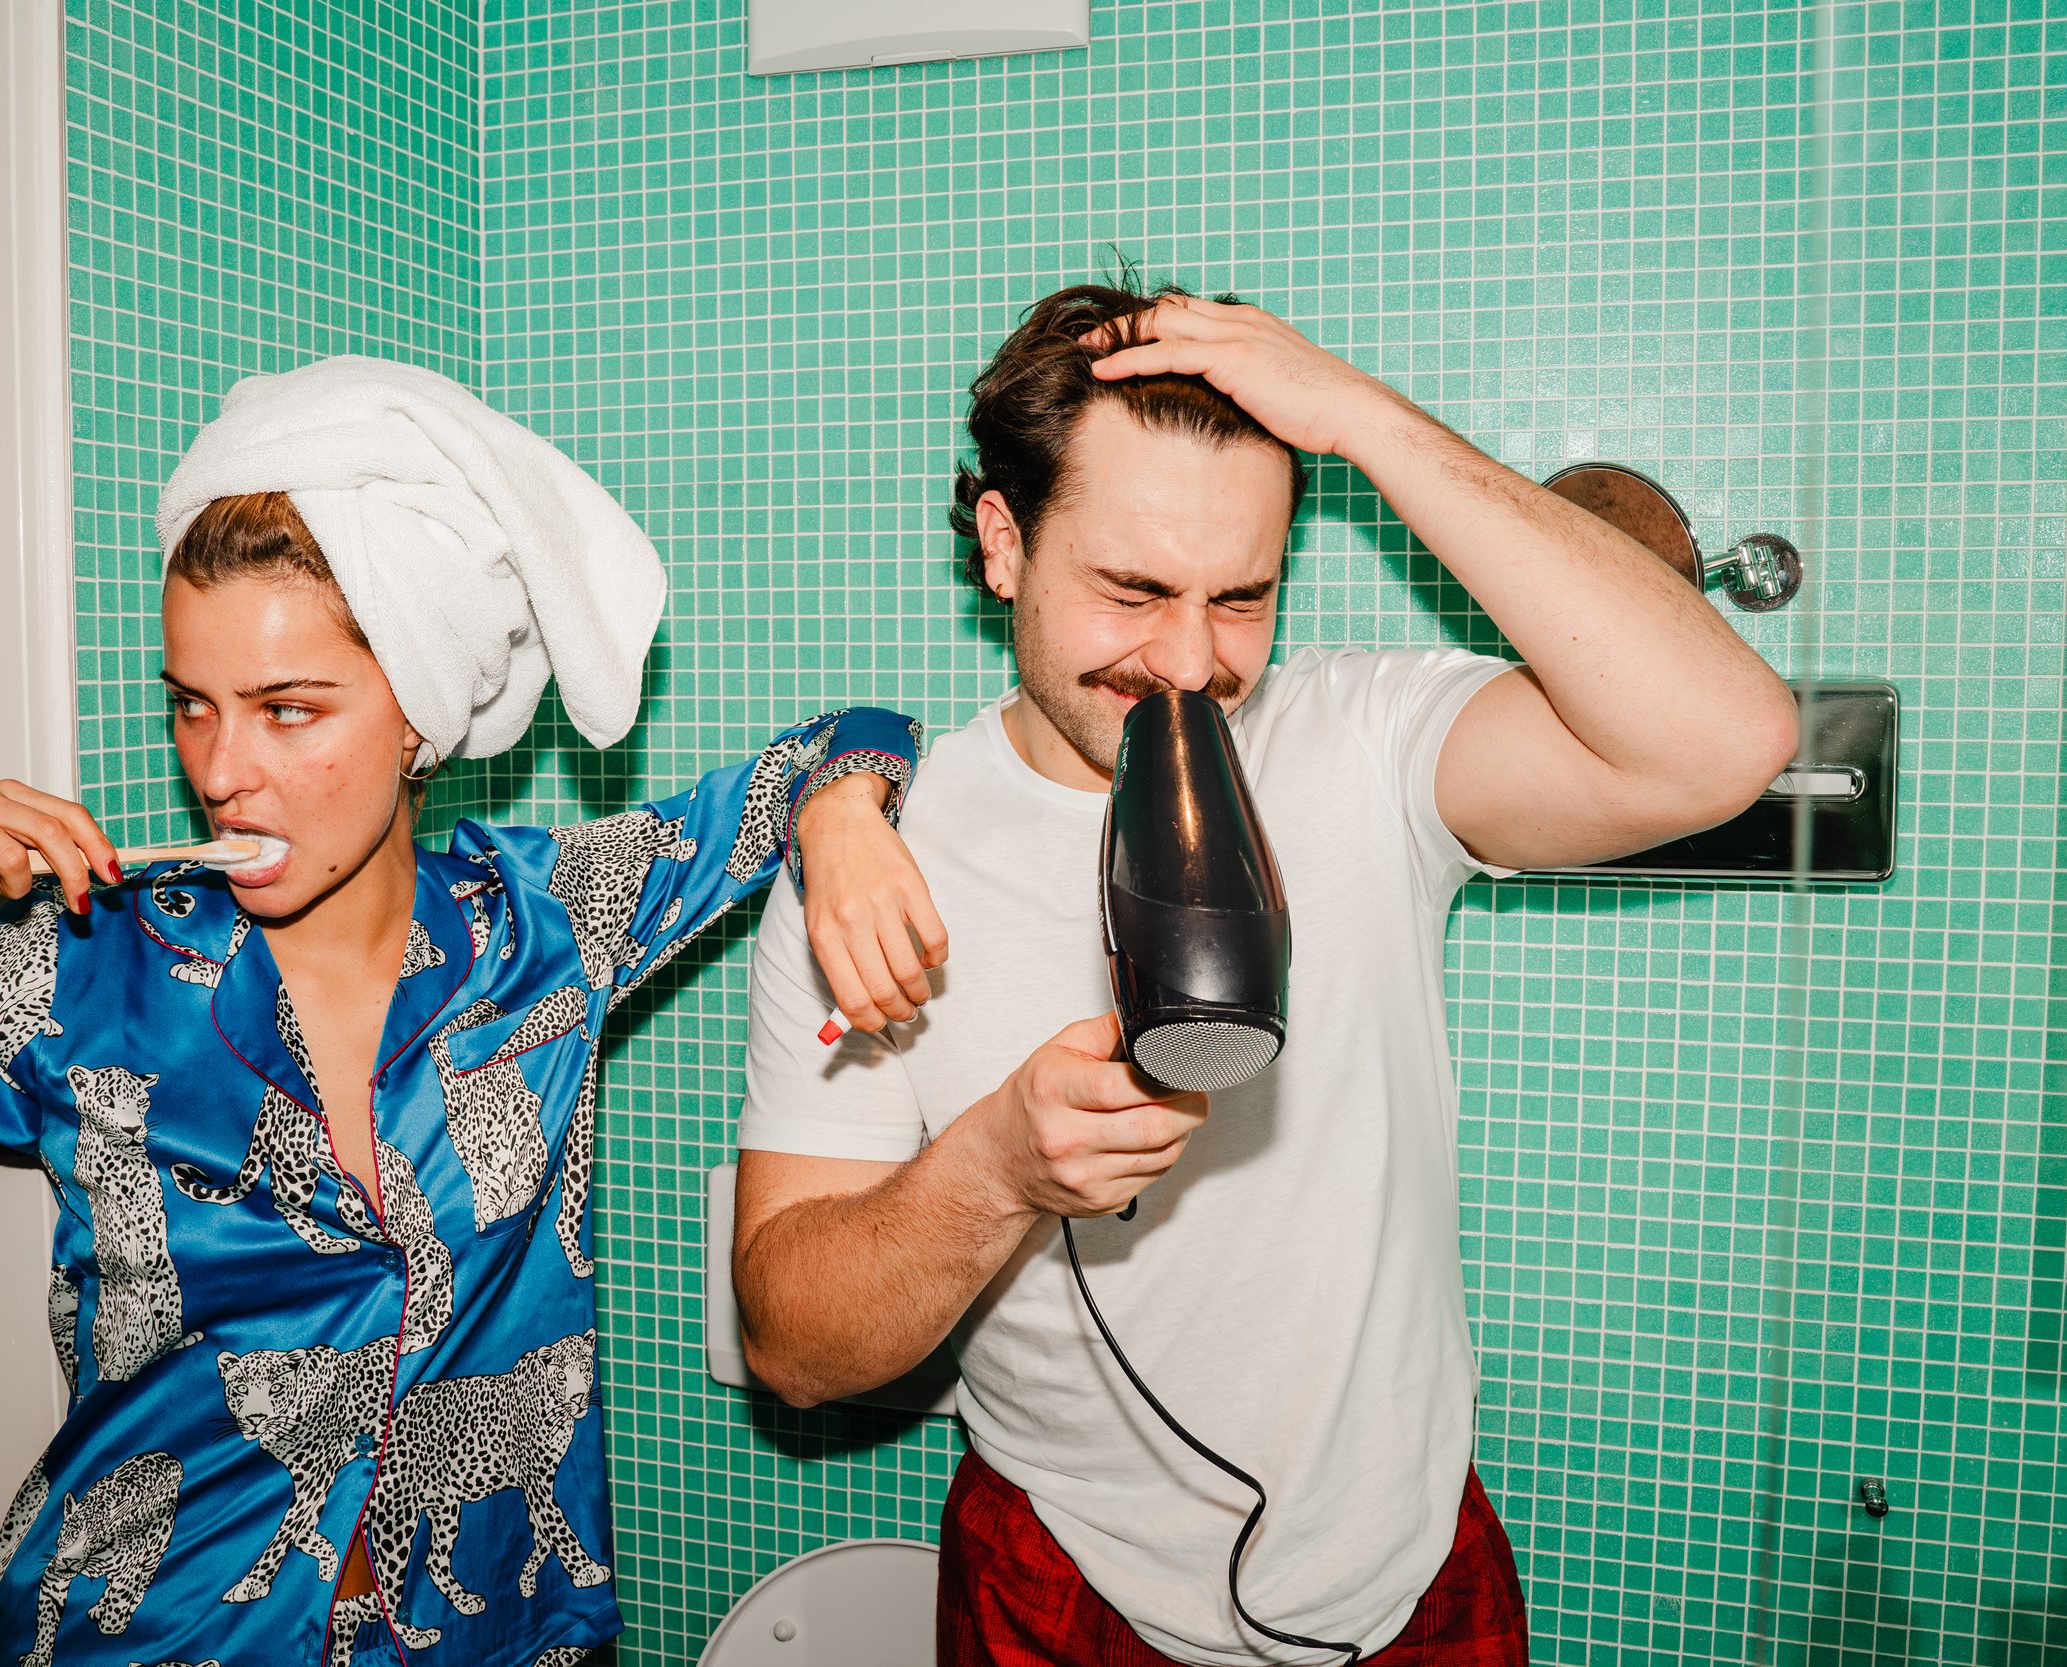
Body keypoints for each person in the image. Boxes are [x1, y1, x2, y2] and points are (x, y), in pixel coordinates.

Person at [0, 356, 945, 1667]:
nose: (222, 773)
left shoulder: (547, 922)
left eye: (287, 710)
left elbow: (842, 739)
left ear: (418, 721)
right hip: (152, 1634)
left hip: (500, 1632)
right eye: (194, 708)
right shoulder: (78, 975)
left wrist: (841, 820)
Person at [730, 281, 1801, 1667]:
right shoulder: (876, 861)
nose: (1190, 663)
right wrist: (995, 1167)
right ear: (1005, 542)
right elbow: (798, 1352)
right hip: (1065, 1585)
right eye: (1132, 589)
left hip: (1405, 1569)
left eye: (1242, 599)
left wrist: (1363, 421)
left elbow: (1726, 741)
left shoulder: (1369, 740)